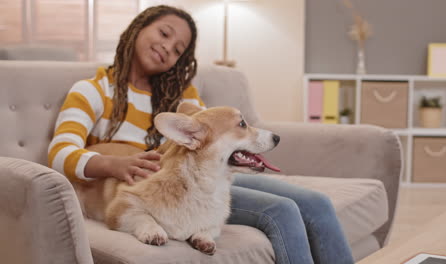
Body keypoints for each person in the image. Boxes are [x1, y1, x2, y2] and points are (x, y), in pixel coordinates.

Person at [47, 5, 354, 264]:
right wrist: (114, 165)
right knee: (283, 211)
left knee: (317, 203)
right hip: (162, 187)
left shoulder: (180, 93)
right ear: (138, 28)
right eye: (164, 34)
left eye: (178, 49)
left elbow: (210, 141)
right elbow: (60, 154)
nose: (168, 47)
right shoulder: (93, 91)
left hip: (206, 178)